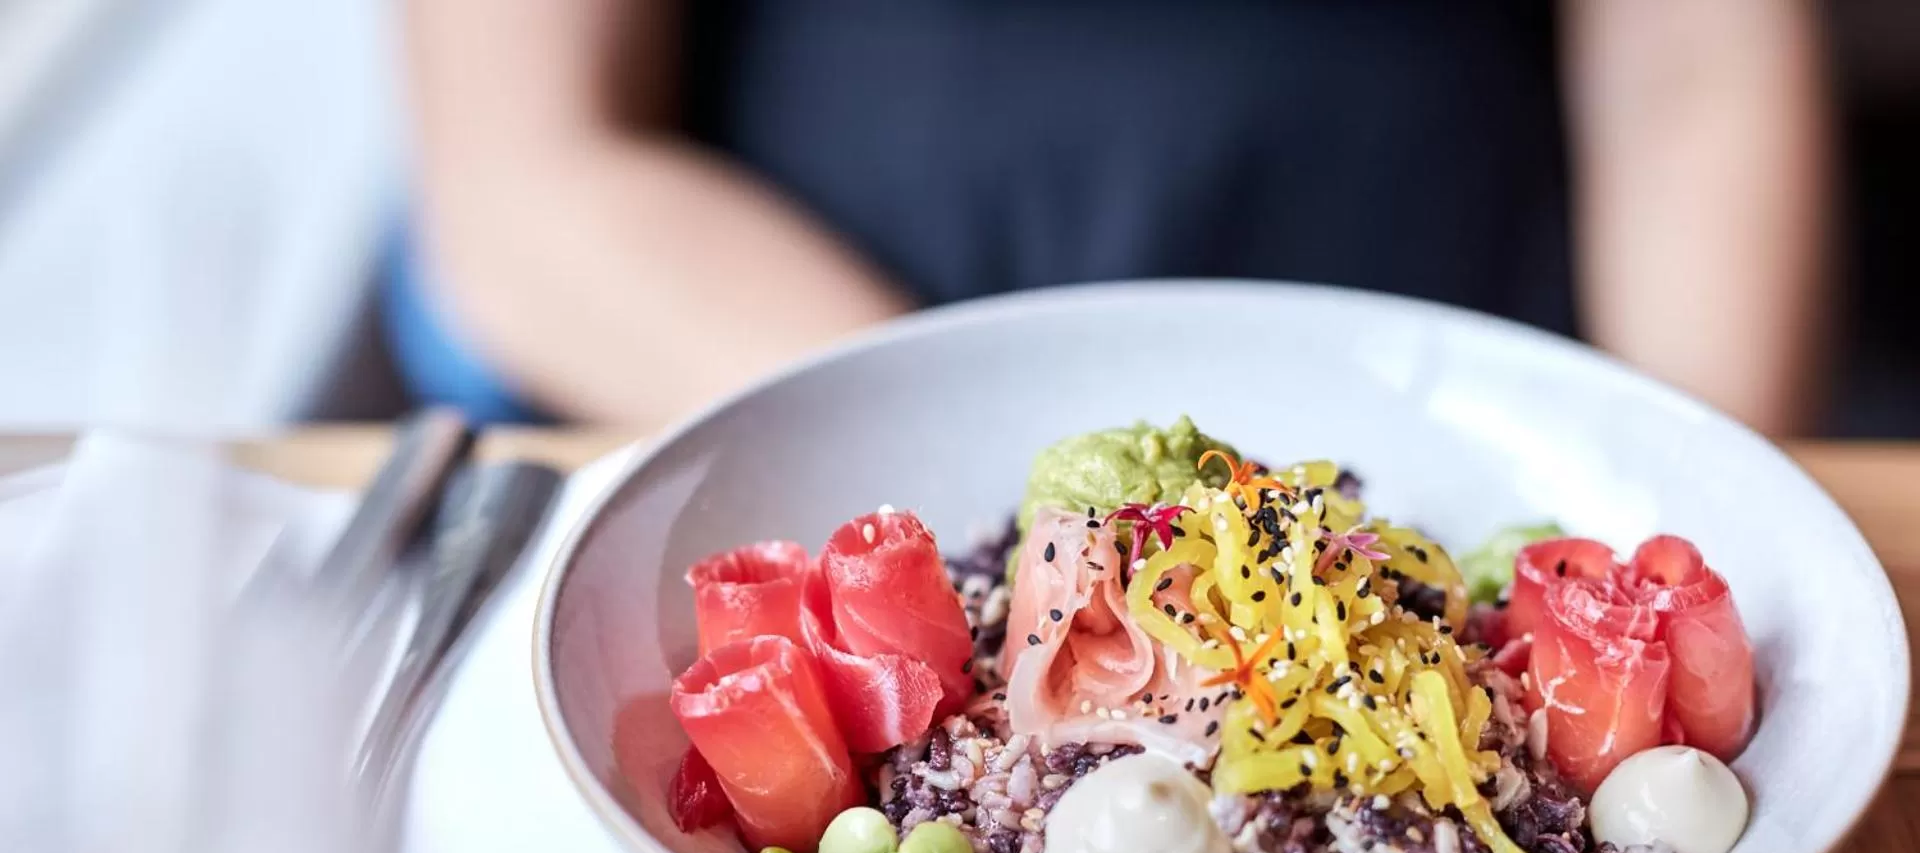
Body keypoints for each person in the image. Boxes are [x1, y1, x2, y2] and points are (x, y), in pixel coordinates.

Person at [394, 0, 1831, 437]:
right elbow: (531, 181)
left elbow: (1693, 56)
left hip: (1479, 411)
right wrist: (1043, 491)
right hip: (848, 423)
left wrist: (1673, 482)